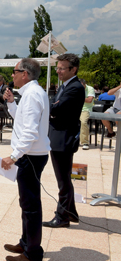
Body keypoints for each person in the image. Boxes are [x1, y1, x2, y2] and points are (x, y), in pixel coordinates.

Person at [1, 58, 50, 261]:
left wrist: (14, 156)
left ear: (25, 74)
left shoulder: (32, 95)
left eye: (14, 71)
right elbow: (22, 121)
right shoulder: (31, 93)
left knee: (30, 206)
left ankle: (33, 254)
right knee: (27, 203)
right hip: (31, 155)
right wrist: (12, 103)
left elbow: (29, 133)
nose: (12, 75)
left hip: (30, 157)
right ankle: (26, 242)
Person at [43, 53, 85, 228]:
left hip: (64, 138)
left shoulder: (75, 87)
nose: (58, 71)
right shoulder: (64, 85)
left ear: (73, 69)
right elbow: (54, 104)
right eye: (57, 67)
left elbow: (56, 107)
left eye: (62, 68)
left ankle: (62, 217)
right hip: (58, 135)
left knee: (63, 180)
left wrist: (51, 108)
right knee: (64, 177)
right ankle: (71, 212)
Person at [79, 79, 95, 150]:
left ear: (84, 84)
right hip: (75, 108)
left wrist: (77, 97)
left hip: (85, 109)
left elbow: (89, 100)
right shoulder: (77, 88)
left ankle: (85, 142)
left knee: (83, 122)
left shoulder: (90, 88)